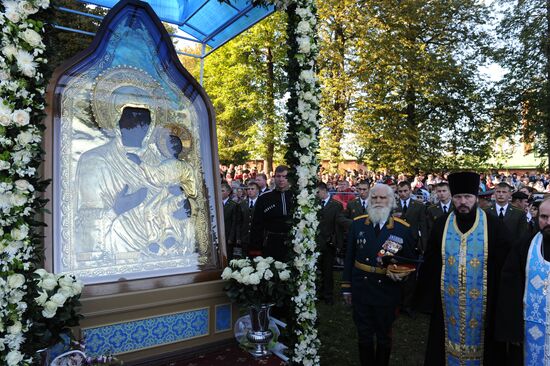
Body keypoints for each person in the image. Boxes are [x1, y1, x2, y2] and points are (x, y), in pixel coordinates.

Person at [415, 172, 512, 365]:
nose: (463, 202)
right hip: (448, 305)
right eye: (458, 197)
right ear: (453, 198)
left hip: (484, 305)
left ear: (476, 198)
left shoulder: (493, 226)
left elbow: (505, 266)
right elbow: (432, 262)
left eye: (468, 197)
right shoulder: (442, 224)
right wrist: (427, 299)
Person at [342, 184, 415, 366]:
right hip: (362, 288)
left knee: (384, 335)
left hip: (387, 290)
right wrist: (346, 288)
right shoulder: (358, 224)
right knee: (364, 334)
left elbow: (410, 261)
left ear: (391, 201)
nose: (378, 201)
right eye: (374, 197)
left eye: (382, 198)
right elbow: (349, 257)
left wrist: (401, 272)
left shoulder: (402, 229)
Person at [496, 198, 550, 366]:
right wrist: (512, 330)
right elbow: (509, 288)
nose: (548, 222)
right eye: (544, 217)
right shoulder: (525, 246)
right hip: (531, 330)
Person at [249, 165, 293, 261]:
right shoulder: (264, 198)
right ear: (274, 177)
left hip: (293, 243)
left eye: (284, 176)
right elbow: (256, 225)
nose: (281, 179)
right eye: (278, 176)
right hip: (271, 243)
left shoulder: (296, 196)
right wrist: (256, 250)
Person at [316, 182, 346, 305]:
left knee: (328, 271)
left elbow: (338, 226)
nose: (316, 195)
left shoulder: (336, 205)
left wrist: (337, 243)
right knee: (317, 269)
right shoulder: (314, 204)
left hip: (329, 243)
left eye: (317, 192)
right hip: (316, 243)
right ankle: (319, 292)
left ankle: (328, 295)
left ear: (324, 191)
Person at [235, 181, 260, 257]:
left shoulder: (261, 203)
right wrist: (238, 237)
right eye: (248, 189)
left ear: (257, 190)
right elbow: (239, 222)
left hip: (257, 238)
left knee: (256, 258)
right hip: (244, 237)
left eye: (252, 189)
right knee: (245, 258)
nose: (250, 191)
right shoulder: (242, 204)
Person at [221, 181, 238, 259]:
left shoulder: (233, 205)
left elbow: (234, 223)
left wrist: (231, 238)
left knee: (228, 256)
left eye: (222, 191)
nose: (220, 192)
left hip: (228, 236)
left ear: (228, 192)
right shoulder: (215, 203)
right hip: (219, 236)